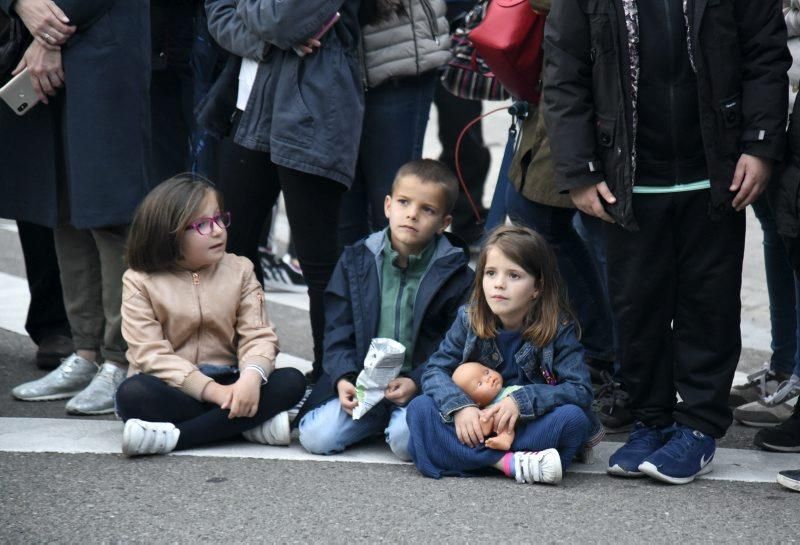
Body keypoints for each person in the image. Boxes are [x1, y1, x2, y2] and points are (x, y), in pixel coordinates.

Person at [543, 0, 790, 484]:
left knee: (708, 305)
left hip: (714, 172)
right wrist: (578, 169)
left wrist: (760, 144)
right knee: (637, 308)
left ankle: (698, 427)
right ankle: (651, 420)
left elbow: (765, 54)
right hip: (629, 179)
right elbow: (563, 72)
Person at [203, 0, 364, 384]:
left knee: (318, 257)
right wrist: (271, 41)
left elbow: (284, 17)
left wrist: (257, 17)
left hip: (314, 109)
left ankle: (331, 375)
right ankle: (247, 364)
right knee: (231, 250)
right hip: (248, 110)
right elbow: (218, 13)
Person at [4, 0, 151, 415]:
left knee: (110, 209)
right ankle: (85, 352)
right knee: (64, 205)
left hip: (103, 40)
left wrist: (49, 29)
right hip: (47, 43)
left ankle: (120, 359)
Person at [114, 175, 306, 456]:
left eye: (219, 219)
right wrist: (216, 394)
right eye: (202, 224)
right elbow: (150, 354)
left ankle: (176, 438)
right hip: (172, 385)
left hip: (231, 378)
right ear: (168, 233)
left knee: (291, 381)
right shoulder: (140, 280)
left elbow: (258, 335)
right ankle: (247, 425)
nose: (217, 230)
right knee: (132, 394)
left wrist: (250, 379)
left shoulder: (240, 269)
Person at [297, 159, 474, 460]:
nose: (412, 214)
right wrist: (342, 377)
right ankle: (375, 419)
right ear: (388, 206)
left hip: (418, 388)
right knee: (316, 437)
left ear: (444, 223)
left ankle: (395, 421)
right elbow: (337, 327)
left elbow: (454, 344)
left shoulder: (456, 274)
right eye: (404, 202)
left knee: (406, 444)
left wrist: (417, 381)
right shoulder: (357, 260)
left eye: (427, 209)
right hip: (363, 383)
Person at [406, 226, 603, 485]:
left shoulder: (557, 327)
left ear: (537, 287)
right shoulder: (469, 319)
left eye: (513, 275)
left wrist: (520, 403)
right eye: (490, 273)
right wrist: (461, 407)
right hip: (477, 422)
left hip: (526, 424)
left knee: (573, 420)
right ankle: (509, 463)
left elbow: (580, 390)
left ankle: (464, 456)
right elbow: (435, 371)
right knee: (419, 409)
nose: (499, 283)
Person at [337, 0, 450, 246]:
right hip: (333, 69)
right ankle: (353, 283)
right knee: (342, 211)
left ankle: (397, 283)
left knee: (394, 209)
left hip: (396, 59)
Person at [451, 361, 520, 450]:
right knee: (493, 417)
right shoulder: (484, 411)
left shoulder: (511, 387)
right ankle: (504, 439)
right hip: (507, 423)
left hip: (525, 409)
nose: (488, 378)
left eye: (486, 372)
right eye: (480, 383)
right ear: (474, 402)